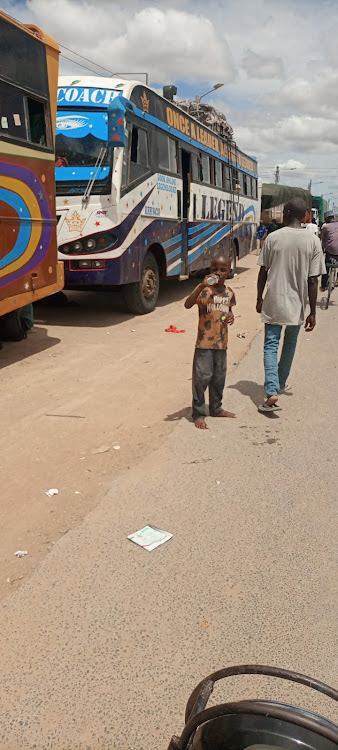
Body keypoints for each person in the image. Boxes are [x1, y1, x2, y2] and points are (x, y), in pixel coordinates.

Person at [256, 197, 326, 413]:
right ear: (304, 214)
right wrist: (313, 311)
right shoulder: (313, 241)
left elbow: (263, 271)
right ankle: (280, 382)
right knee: (290, 343)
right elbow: (313, 280)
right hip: (297, 303)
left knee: (271, 344)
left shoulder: (273, 238)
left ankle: (271, 390)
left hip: (274, 300)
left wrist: (259, 298)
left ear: (286, 213)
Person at [184, 256, 236, 429]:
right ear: (209, 270)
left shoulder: (229, 293)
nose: (218, 273)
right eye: (215, 269)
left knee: (218, 378)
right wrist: (201, 285)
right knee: (201, 378)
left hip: (222, 343)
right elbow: (187, 304)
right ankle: (198, 413)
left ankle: (216, 408)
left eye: (223, 270)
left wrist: (230, 316)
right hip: (204, 343)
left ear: (229, 271)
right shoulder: (203, 291)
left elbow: (227, 311)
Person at [320, 210, 338, 290]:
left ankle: (323, 286)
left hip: (330, 251)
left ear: (326, 219)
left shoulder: (325, 227)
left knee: (326, 266)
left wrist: (323, 249)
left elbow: (323, 239)